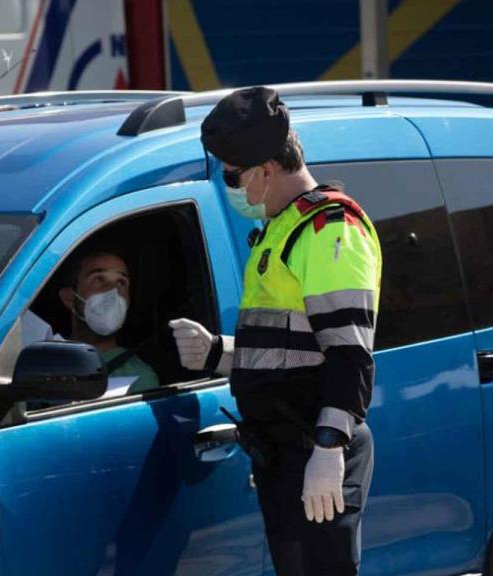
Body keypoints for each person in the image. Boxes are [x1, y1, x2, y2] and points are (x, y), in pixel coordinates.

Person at [169, 87, 382, 575]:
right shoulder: (282, 227)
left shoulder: (329, 230)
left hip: (315, 449)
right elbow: (290, 345)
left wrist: (329, 447)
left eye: (231, 174)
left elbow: (349, 353)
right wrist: (216, 353)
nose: (227, 185)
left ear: (266, 169)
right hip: (285, 453)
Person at [57, 247, 159, 394]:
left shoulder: (140, 377)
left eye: (121, 282)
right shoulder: (46, 362)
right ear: (69, 297)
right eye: (99, 279)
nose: (113, 291)